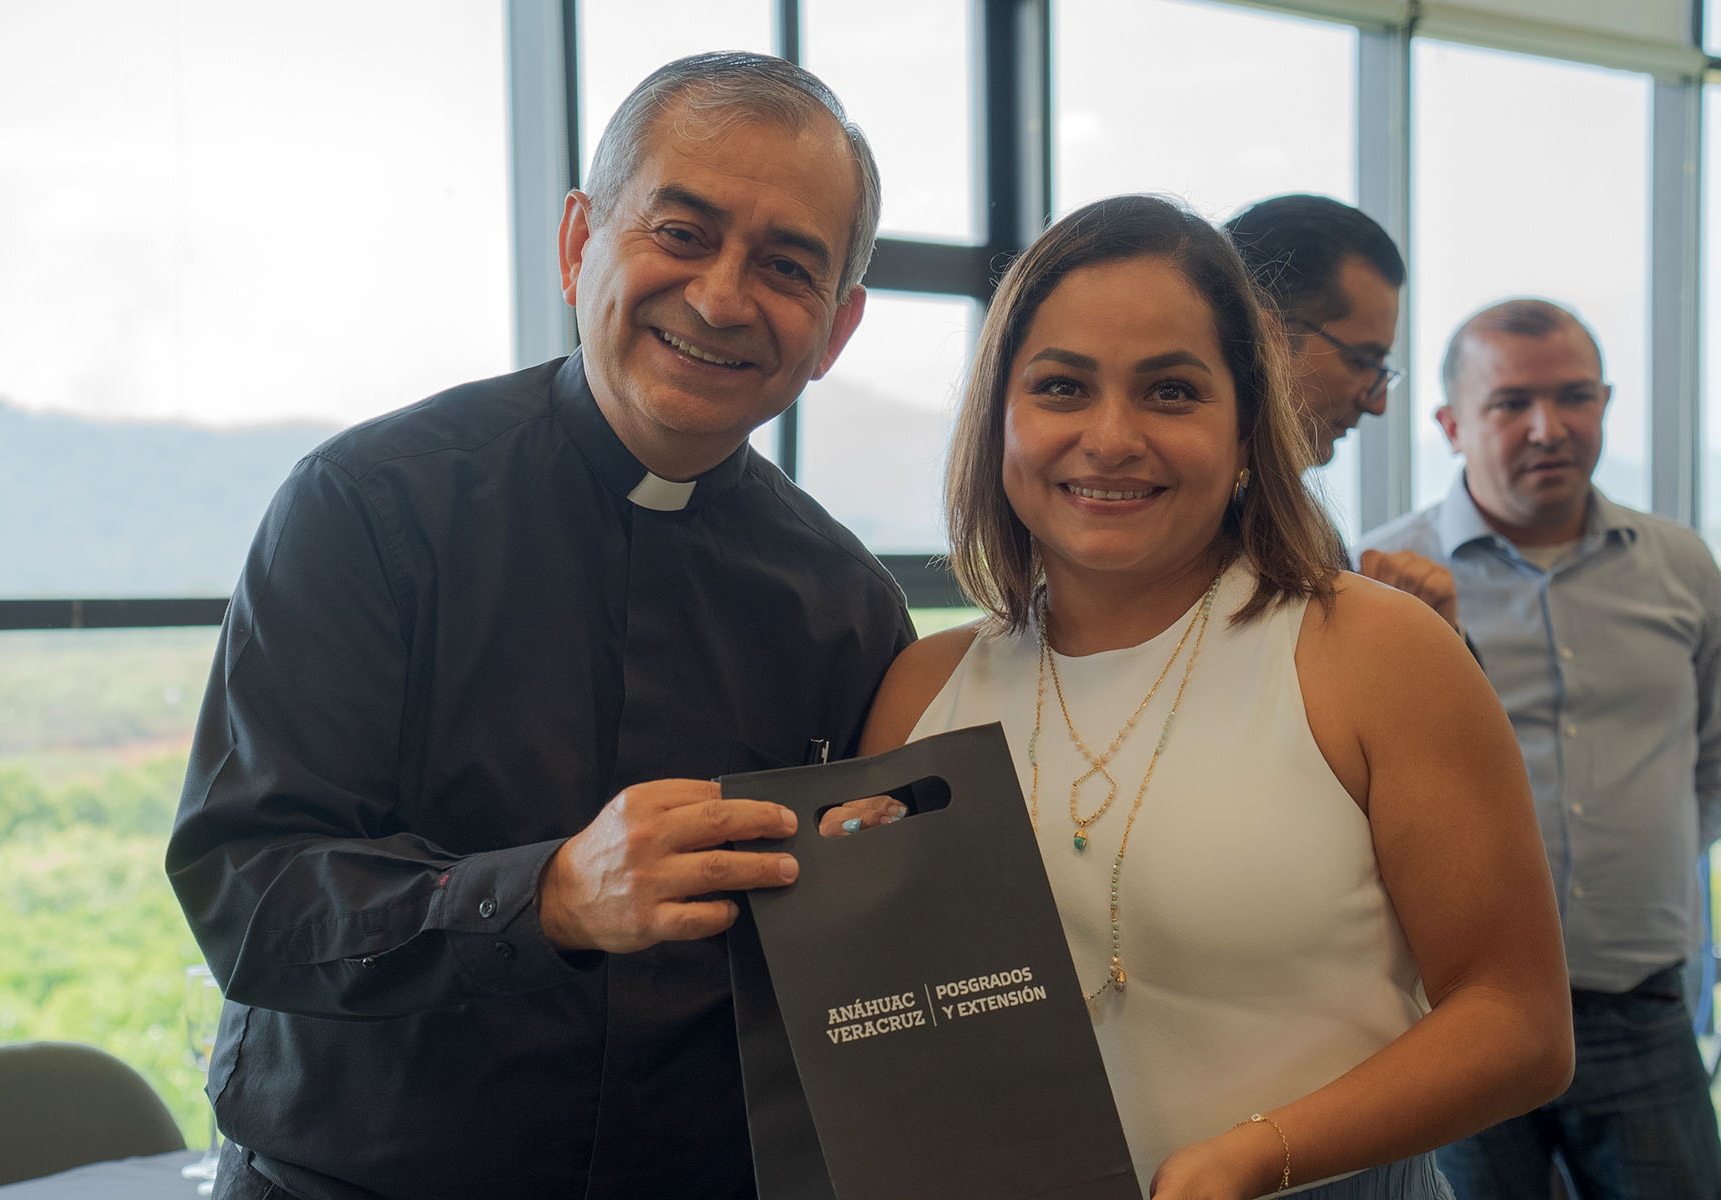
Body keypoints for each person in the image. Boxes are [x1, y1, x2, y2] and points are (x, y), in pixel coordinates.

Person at [165, 52, 914, 1200]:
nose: (721, 296)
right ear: (580, 242)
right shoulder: (368, 506)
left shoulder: (849, 606)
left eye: (787, 266)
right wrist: (551, 895)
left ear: (836, 328)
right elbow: (247, 888)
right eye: (682, 231)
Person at [849, 195, 1572, 1198]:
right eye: (1061, 386)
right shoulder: (924, 692)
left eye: (1171, 393)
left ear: (1245, 431)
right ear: (998, 421)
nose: (1111, 437)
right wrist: (844, 915)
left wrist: (1252, 1155)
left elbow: (1521, 1022)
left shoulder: (1370, 652)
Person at [1355, 298, 1721, 1199]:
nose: (1548, 428)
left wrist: (1656, 852)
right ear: (1450, 424)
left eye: (1575, 397)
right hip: (1452, 1016)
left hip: (1642, 1001)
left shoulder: (1683, 567)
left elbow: (1710, 755)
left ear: (1607, 402)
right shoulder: (1379, 583)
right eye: (1511, 403)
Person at [1225, 194, 1458, 627]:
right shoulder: (1170, 521)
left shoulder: (1299, 524)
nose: (1378, 403)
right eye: (1361, 360)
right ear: (1262, 336)